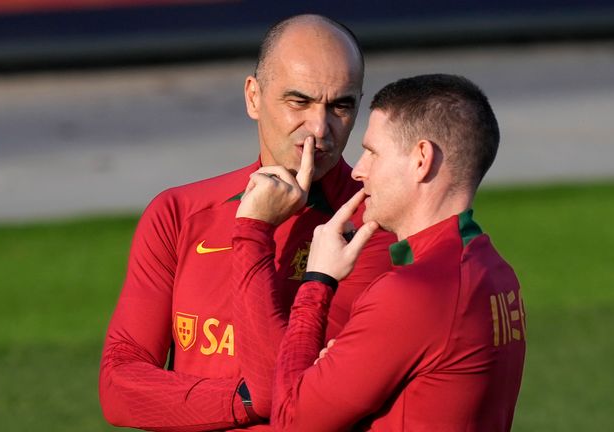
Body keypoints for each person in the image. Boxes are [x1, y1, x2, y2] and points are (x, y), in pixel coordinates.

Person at [98, 15, 394, 431]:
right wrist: (242, 400)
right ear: (254, 97)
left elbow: (297, 400)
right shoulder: (178, 213)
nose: (318, 129)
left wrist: (252, 228)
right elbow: (118, 387)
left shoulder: (377, 229)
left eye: (340, 106)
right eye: (299, 101)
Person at [254, 74, 527, 431]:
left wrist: (317, 280)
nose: (360, 171)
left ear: (421, 159)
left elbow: (291, 421)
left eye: (372, 152)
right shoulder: (497, 272)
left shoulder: (414, 294)